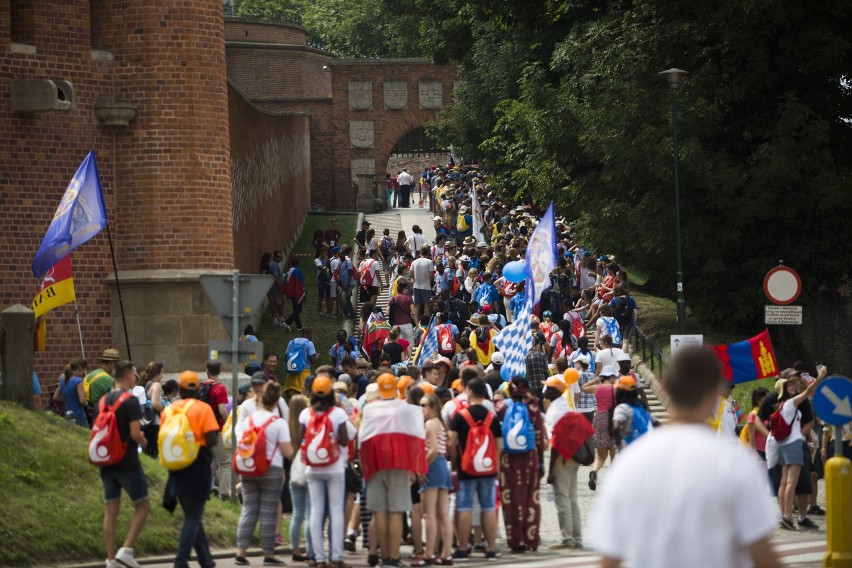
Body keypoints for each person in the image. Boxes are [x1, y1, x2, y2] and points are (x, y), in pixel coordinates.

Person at [588, 347, 782, 568]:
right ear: (713, 394)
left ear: (665, 386)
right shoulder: (737, 464)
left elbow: (609, 560)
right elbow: (764, 556)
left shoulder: (629, 464)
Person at [359, 373, 426, 568]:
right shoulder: (406, 409)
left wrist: (364, 466)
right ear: (395, 388)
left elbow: (362, 439)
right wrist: (416, 467)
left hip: (375, 464)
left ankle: (384, 557)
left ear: (379, 388)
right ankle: (394, 558)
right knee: (396, 511)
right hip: (399, 463)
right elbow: (417, 437)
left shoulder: (369, 410)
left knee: (379, 512)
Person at [298, 370, 358, 568]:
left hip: (312, 468)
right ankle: (336, 557)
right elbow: (344, 438)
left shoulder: (306, 413)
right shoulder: (338, 413)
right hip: (335, 468)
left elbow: (299, 440)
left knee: (315, 512)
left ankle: (318, 558)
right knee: (335, 511)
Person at [161, 371, 220, 568]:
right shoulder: (203, 409)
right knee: (193, 516)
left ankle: (206, 560)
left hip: (176, 466)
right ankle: (181, 561)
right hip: (197, 466)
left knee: (192, 514)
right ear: (198, 388)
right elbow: (212, 439)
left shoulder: (169, 410)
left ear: (180, 388)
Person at [234, 382, 294, 566]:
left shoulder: (249, 420)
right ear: (276, 401)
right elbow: (287, 451)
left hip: (249, 469)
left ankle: (241, 553)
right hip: (271, 470)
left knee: (248, 510)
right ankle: (268, 554)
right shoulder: (278, 423)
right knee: (268, 511)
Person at [98, 360, 150, 568]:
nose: (135, 378)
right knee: (143, 505)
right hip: (127, 461)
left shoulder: (104, 400)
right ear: (128, 375)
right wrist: (145, 441)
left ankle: (111, 561)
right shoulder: (130, 401)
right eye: (134, 374)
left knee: (111, 511)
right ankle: (127, 550)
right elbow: (135, 434)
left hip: (106, 461)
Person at [448, 378, 502, 561]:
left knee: (464, 506)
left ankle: (463, 548)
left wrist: (455, 463)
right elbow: (498, 445)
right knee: (488, 506)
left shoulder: (461, 416)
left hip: (466, 467)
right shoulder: (491, 417)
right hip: (488, 468)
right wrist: (497, 466)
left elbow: (452, 442)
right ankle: (491, 549)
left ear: (469, 392)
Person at [767, 370, 824, 531]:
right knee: (792, 482)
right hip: (793, 445)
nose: (793, 386)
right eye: (789, 385)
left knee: (785, 482)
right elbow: (808, 391)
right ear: (784, 389)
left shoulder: (781, 406)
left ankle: (785, 516)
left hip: (784, 446)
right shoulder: (790, 403)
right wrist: (820, 376)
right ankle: (787, 517)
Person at [498, 377, 545, 553]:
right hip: (529, 458)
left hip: (507, 459)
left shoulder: (502, 407)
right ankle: (530, 539)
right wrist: (541, 461)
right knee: (530, 498)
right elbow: (539, 436)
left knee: (510, 498)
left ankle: (515, 540)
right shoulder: (532, 407)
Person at [418, 393, 453, 566]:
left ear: (433, 407)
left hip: (433, 465)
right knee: (443, 513)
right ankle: (446, 553)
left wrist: (421, 467)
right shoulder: (440, 422)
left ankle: (429, 552)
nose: (421, 408)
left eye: (424, 405)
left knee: (429, 513)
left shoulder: (431, 423)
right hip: (442, 465)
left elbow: (431, 449)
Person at [581, 365, 618, 490]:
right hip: (612, 419)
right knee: (613, 451)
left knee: (601, 455)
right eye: (614, 376)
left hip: (599, 418)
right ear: (611, 376)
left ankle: (595, 471)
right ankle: (614, 480)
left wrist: (596, 380)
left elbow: (583, 388)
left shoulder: (597, 388)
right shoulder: (615, 389)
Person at [288, 395, 313, 563]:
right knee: (311, 514)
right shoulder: (308, 426)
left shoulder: (287, 427)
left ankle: (295, 549)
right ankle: (312, 550)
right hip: (309, 470)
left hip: (295, 472)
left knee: (297, 514)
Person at [201, 362, 231, 500]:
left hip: (203, 429)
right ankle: (224, 496)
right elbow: (222, 410)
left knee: (211, 462)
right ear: (220, 372)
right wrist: (230, 424)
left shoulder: (202, 386)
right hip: (216, 430)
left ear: (207, 371)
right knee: (226, 463)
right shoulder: (220, 388)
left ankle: (204, 493)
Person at [85, 348, 121, 414]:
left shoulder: (91, 374)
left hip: (90, 411)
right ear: (110, 362)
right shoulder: (107, 378)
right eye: (116, 363)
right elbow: (117, 399)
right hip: (102, 413)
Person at [283, 328, 318, 396]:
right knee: (304, 399)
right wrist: (317, 357)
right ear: (308, 334)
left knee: (293, 399)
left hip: (291, 374)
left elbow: (286, 357)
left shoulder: (291, 342)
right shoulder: (309, 343)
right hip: (303, 374)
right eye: (311, 335)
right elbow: (312, 360)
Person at [54, 357, 88, 426]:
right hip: (79, 415)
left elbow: (55, 397)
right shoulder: (78, 381)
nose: (84, 373)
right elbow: (82, 401)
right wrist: (85, 402)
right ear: (80, 368)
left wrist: (67, 399)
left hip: (67, 414)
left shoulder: (62, 381)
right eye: (84, 370)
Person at [410, 246, 435, 323]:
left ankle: (417, 324)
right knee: (426, 305)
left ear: (420, 253)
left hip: (416, 286)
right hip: (426, 286)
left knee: (417, 306)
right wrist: (429, 282)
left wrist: (416, 279)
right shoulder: (429, 262)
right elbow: (431, 275)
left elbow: (410, 273)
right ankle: (426, 323)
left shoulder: (414, 262)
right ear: (428, 254)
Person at [282, 257, 306, 332]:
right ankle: (287, 322)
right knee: (299, 309)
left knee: (296, 309)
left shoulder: (290, 270)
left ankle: (299, 326)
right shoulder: (297, 271)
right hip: (296, 293)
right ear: (298, 264)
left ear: (292, 263)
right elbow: (300, 283)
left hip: (291, 293)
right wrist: (303, 291)